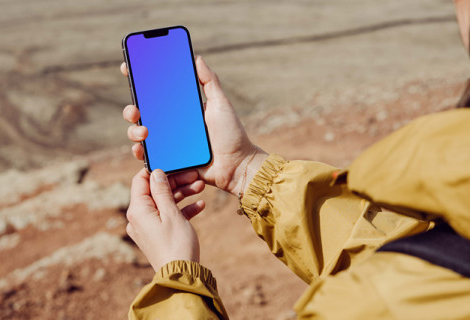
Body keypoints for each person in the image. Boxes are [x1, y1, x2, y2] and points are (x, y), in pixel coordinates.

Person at [121, 1, 470, 318]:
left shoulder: (377, 305)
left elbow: (402, 286)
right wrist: (245, 169)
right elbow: (406, 253)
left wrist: (175, 278)